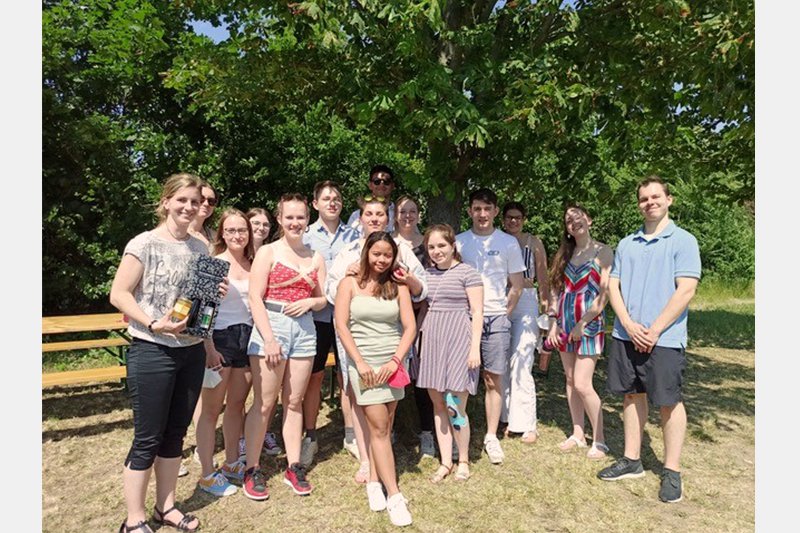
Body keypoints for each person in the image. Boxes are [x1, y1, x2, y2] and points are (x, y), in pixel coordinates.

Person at [110, 172, 227, 533]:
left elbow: (198, 303)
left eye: (195, 202)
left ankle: (167, 508)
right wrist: (152, 322)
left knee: (176, 433)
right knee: (148, 436)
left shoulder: (200, 248)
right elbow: (119, 294)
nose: (189, 207)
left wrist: (213, 298)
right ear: (165, 202)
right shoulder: (144, 243)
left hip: (190, 351)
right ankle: (134, 519)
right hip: (153, 350)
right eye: (182, 200)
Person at [597, 176, 701, 504]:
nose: (649, 202)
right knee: (631, 395)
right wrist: (627, 324)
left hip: (665, 338)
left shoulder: (683, 241)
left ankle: (671, 470)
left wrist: (654, 329)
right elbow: (614, 286)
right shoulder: (627, 243)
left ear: (669, 199)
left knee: (668, 401)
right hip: (627, 334)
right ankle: (632, 460)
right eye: (644, 198)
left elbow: (686, 289)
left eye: (656, 197)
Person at [325, 196, 427, 484]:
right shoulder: (348, 252)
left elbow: (421, 290)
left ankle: (381, 453)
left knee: (387, 407)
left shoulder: (401, 250)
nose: (373, 218)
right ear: (360, 218)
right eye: (368, 213)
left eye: (379, 213)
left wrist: (407, 279)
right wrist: (350, 278)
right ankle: (367, 459)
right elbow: (332, 291)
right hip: (357, 339)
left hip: (390, 339)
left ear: (388, 218)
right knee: (359, 398)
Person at [242, 193, 328, 500]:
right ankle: (251, 469)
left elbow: (322, 298)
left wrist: (309, 301)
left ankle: (293, 466)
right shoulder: (268, 252)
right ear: (280, 219)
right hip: (272, 325)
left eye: (301, 217)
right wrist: (268, 338)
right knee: (265, 404)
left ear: (307, 219)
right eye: (289, 217)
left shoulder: (315, 257)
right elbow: (255, 297)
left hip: (304, 329)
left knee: (294, 401)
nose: (295, 222)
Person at [334, 232, 416, 527]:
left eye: (387, 255)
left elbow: (409, 327)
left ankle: (373, 480)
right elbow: (341, 325)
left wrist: (396, 361)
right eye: (376, 253)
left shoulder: (398, 286)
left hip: (392, 365)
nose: (381, 260)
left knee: (384, 424)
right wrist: (359, 363)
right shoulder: (349, 284)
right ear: (367, 252)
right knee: (379, 427)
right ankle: (394, 495)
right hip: (364, 365)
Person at [456, 188, 525, 465]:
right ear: (470, 211)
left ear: (495, 211)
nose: (482, 214)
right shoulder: (459, 242)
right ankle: (456, 434)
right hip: (464, 318)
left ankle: (491, 436)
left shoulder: (508, 242)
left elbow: (517, 285)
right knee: (459, 381)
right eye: (477, 208)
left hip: (497, 318)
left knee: (493, 379)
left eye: (487, 209)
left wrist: (504, 315)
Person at [194, 209, 255, 497]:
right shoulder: (213, 264)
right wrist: (208, 348)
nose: (237, 235)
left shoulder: (254, 263)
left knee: (237, 405)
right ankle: (207, 474)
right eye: (230, 230)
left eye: (242, 230)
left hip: (247, 339)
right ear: (221, 234)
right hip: (219, 340)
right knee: (210, 411)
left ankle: (232, 463)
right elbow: (200, 313)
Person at [417, 224, 484, 482]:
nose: (436, 251)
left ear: (453, 245)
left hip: (459, 341)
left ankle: (463, 458)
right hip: (433, 341)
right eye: (431, 247)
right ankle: (445, 462)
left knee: (455, 405)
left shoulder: (468, 273)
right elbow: (423, 309)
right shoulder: (426, 275)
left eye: (441, 245)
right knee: (438, 405)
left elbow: (477, 312)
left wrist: (474, 348)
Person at [545, 204, 613, 460]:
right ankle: (577, 432)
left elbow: (604, 295)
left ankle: (600, 439)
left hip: (588, 324)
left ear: (589, 220)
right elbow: (554, 290)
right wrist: (553, 322)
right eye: (568, 220)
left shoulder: (603, 251)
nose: (574, 222)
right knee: (571, 380)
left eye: (578, 216)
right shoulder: (565, 253)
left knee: (584, 383)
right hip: (563, 324)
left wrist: (582, 323)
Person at [301, 180, 360, 466]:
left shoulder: (355, 235)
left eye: (336, 198)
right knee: (314, 377)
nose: (332, 202)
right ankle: (310, 436)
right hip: (317, 319)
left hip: (348, 318)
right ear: (315, 204)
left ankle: (351, 434)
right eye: (326, 198)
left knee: (347, 377)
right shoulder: (306, 235)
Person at [500, 202, 550, 445]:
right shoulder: (497, 240)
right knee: (502, 359)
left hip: (527, 301)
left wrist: (546, 310)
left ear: (524, 219)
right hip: (502, 298)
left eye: (517, 218)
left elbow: (543, 278)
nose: (513, 222)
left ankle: (527, 423)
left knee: (522, 357)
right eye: (509, 218)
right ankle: (507, 417)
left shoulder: (534, 242)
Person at [392, 195, 436, 459]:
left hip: (427, 315)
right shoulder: (388, 243)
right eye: (402, 211)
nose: (408, 215)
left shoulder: (428, 243)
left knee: (423, 375)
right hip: (396, 316)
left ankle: (427, 432)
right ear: (395, 215)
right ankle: (391, 428)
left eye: (413, 210)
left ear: (419, 214)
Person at [244, 207, 283, 457]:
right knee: (241, 392)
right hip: (240, 327)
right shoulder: (236, 253)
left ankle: (264, 432)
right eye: (255, 223)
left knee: (269, 389)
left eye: (265, 224)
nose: (260, 227)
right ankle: (239, 438)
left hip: (268, 324)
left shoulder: (272, 253)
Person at [347, 165, 397, 234]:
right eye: (377, 181)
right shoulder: (356, 216)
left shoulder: (400, 214)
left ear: (393, 186)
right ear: (370, 185)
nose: (381, 184)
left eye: (386, 181)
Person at [188, 181, 218, 246]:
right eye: (201, 199)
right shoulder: (178, 232)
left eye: (211, 201)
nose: (206, 204)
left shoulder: (215, 237)